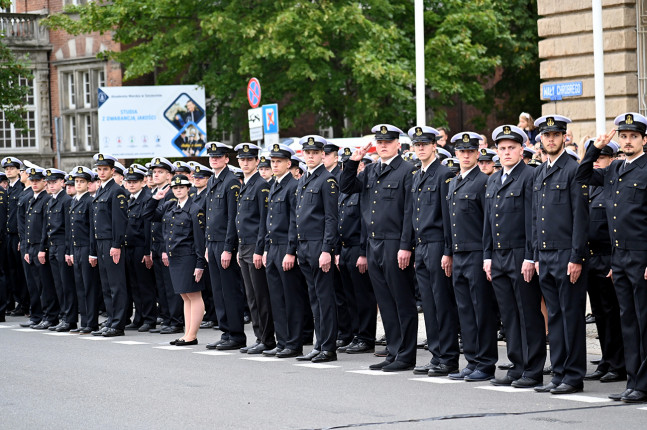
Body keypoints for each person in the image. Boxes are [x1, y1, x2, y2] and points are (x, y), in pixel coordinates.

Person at [576, 112, 647, 403]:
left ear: (644, 139)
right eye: (624, 136)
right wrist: (594, 147)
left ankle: (643, 383)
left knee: (644, 322)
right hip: (620, 258)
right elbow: (581, 175)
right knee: (628, 321)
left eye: (633, 136)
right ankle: (634, 381)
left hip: (642, 256)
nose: (628, 141)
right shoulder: (615, 169)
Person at [341, 124, 418, 372]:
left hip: (395, 242)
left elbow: (409, 212)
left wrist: (406, 245)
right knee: (384, 301)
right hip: (373, 243)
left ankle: (406, 354)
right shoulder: (371, 169)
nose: (383, 145)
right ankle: (394, 350)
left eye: (388, 141)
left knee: (401, 299)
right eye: (379, 141)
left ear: (398, 144)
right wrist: (354, 160)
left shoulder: (407, 170)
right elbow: (346, 186)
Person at [483, 125, 546, 388]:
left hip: (521, 253)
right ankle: (516, 365)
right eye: (502, 148)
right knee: (508, 314)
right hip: (498, 255)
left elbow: (534, 219)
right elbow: (488, 221)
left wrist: (531, 257)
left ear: (522, 149)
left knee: (527, 313)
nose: (506, 152)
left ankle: (533, 370)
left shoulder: (530, 176)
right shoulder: (493, 179)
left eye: (511, 148)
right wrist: (487, 256)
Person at [532, 115, 589, 395]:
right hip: (546, 254)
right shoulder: (542, 171)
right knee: (553, 316)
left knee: (571, 316)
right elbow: (536, 218)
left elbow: (580, 217)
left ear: (565, 137)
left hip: (567, 254)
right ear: (541, 139)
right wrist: (535, 255)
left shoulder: (573, 169)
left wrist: (577, 257)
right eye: (546, 135)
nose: (551, 139)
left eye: (556, 135)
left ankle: (574, 375)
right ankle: (559, 372)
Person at [445, 132, 498, 382]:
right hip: (459, 254)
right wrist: (449, 252)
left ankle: (486, 363)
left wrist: (487, 255)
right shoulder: (454, 182)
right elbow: (451, 223)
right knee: (465, 310)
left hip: (477, 253)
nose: (466, 155)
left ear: (478, 153)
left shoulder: (483, 182)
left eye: (470, 151)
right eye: (461, 151)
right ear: (456, 154)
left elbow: (489, 223)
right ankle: (472, 360)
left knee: (482, 310)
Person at [408, 125, 460, 377]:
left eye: (424, 145)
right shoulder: (418, 175)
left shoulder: (443, 174)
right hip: (422, 245)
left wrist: (448, 250)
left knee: (442, 303)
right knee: (428, 304)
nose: (420, 149)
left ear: (434, 146)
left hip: (438, 243)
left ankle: (448, 357)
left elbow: (448, 216)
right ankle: (436, 354)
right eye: (417, 145)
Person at [578, 139, 626, 385]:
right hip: (591, 256)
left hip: (609, 257)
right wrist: (592, 150)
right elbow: (582, 172)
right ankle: (607, 360)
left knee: (612, 314)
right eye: (594, 157)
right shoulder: (593, 185)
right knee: (599, 313)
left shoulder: (613, 183)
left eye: (602, 157)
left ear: (613, 159)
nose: (597, 161)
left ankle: (619, 364)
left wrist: (613, 262)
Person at [293, 135, 339, 363]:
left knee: (325, 297)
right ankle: (319, 343)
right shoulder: (304, 179)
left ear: (323, 154)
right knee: (314, 298)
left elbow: (331, 219)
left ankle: (328, 347)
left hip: (318, 246)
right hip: (304, 246)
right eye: (307, 152)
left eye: (315, 152)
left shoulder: (327, 180)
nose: (310, 156)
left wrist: (326, 250)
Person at [149, 174, 206, 346]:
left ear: (188, 188)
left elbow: (199, 239)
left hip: (188, 257)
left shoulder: (195, 209)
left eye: (182, 187)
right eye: (175, 188)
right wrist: (155, 198)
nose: (178, 190)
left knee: (194, 295)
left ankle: (192, 335)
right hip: (175, 257)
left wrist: (200, 263)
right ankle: (187, 333)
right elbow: (147, 215)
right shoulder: (169, 206)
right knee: (185, 296)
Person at [204, 142, 247, 351]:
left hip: (224, 243)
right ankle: (226, 331)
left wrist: (229, 248)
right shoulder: (213, 180)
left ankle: (236, 334)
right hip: (212, 242)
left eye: (218, 156)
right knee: (218, 290)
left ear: (226, 159)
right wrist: (206, 244)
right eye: (212, 156)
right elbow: (210, 216)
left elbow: (232, 218)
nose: (214, 159)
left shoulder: (231, 183)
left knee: (230, 290)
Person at [234, 143, 276, 355]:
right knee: (251, 296)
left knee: (261, 295)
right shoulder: (246, 184)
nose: (245, 163)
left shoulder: (261, 185)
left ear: (257, 161)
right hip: (244, 245)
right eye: (242, 159)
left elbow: (263, 221)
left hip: (255, 246)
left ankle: (267, 339)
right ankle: (259, 336)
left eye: (249, 159)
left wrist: (260, 249)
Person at [336, 147, 377, 355]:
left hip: (357, 248)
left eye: (354, 164)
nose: (347, 168)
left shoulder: (363, 189)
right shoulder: (345, 190)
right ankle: (354, 334)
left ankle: (366, 336)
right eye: (344, 164)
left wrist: (363, 252)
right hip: (344, 248)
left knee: (363, 296)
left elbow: (364, 223)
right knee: (349, 296)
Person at [89, 153, 129, 337]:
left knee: (116, 285)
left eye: (105, 169)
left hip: (111, 243)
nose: (102, 172)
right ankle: (111, 319)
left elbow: (119, 221)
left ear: (113, 171)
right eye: (99, 169)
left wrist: (116, 244)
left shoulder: (116, 191)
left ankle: (118, 324)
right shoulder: (101, 190)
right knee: (106, 285)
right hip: (100, 242)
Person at [148, 157, 183, 335]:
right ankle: (168, 319)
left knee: (170, 287)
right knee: (161, 286)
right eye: (154, 172)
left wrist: (164, 249)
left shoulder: (171, 194)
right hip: (157, 245)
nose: (156, 175)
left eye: (160, 172)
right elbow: (146, 216)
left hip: (166, 247)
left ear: (169, 176)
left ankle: (176, 321)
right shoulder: (158, 193)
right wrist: (154, 198)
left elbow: (169, 225)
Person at [122, 166, 158, 332]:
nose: (131, 184)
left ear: (143, 182)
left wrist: (147, 252)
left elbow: (148, 228)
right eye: (129, 181)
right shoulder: (129, 199)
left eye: (134, 181)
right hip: (129, 247)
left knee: (145, 285)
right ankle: (139, 317)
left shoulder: (146, 198)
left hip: (141, 247)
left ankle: (149, 319)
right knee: (134, 285)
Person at [41, 168, 77, 332]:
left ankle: (69, 319)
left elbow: (69, 229)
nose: (51, 185)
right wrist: (43, 247)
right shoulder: (50, 201)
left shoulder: (66, 201)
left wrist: (69, 250)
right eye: (49, 183)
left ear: (62, 182)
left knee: (66, 284)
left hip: (63, 245)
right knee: (58, 284)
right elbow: (46, 227)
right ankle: (62, 316)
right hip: (53, 246)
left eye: (54, 182)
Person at [24, 167, 59, 330]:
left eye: (38, 180)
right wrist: (26, 248)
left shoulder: (46, 199)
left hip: (41, 246)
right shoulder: (33, 199)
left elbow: (46, 226)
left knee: (45, 284)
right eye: (32, 181)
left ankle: (50, 316)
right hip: (31, 246)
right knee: (34, 284)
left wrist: (42, 248)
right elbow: (28, 226)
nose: (34, 183)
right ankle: (37, 315)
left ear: (44, 182)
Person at [68, 166, 101, 334]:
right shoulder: (74, 201)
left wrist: (92, 252)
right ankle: (84, 321)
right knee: (80, 286)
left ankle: (92, 322)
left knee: (90, 287)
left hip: (87, 248)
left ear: (89, 184)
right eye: (77, 181)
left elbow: (92, 230)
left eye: (82, 181)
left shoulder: (90, 201)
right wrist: (71, 251)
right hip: (77, 248)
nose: (78, 184)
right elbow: (71, 229)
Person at [1, 157, 29, 318]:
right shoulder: (7, 189)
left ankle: (24, 303)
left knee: (20, 271)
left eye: (12, 168)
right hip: (7, 235)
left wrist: (21, 237)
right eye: (6, 169)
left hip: (18, 235)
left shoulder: (21, 188)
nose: (9, 171)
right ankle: (15, 301)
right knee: (10, 270)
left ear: (19, 170)